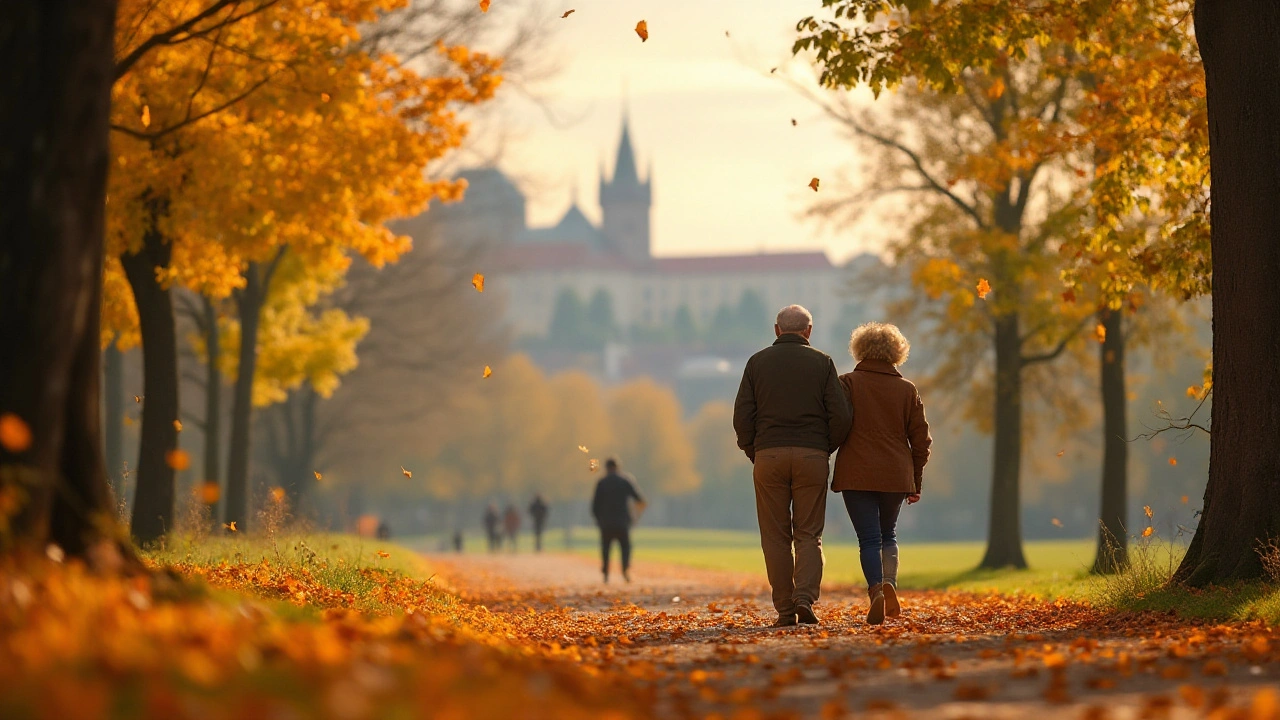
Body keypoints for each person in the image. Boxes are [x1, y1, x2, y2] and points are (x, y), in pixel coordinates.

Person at [733, 304, 852, 627]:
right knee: (809, 533)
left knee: (774, 537)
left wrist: (754, 450)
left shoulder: (756, 363)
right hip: (811, 455)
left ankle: (785, 610)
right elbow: (841, 416)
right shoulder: (823, 363)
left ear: (776, 330)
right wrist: (823, 447)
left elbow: (742, 417)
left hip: (768, 456)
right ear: (808, 332)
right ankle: (804, 597)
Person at [832, 322, 931, 625]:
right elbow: (921, 440)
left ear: (859, 348)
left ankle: (875, 589)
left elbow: (834, 424)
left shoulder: (846, 383)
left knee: (868, 538)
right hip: (895, 473)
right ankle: (890, 583)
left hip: (856, 472)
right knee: (888, 534)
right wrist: (915, 479)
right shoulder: (907, 389)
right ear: (896, 351)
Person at [591, 458, 645, 583]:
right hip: (622, 521)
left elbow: (595, 505)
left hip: (606, 522)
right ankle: (625, 570)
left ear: (606, 467)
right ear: (618, 467)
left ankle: (606, 572)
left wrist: (598, 519)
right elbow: (639, 499)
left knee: (606, 548)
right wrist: (636, 516)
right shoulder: (625, 480)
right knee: (625, 547)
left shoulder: (602, 482)